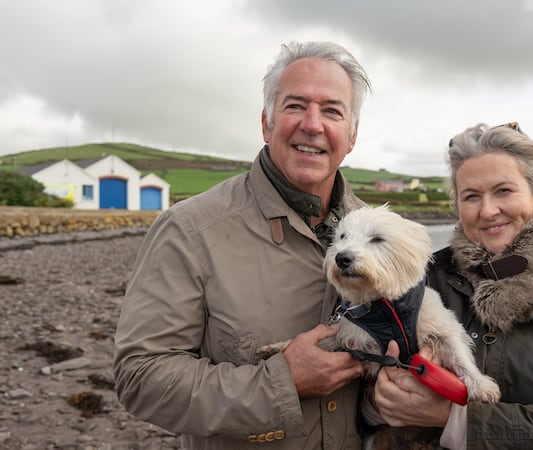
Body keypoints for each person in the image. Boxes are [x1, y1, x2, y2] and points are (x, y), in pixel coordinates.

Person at [113, 41, 372, 449]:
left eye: (332, 111)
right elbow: (141, 376)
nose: (312, 124)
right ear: (266, 123)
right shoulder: (190, 229)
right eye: (294, 105)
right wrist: (282, 383)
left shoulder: (384, 237)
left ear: (352, 135)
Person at [371, 122, 533, 449]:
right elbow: (376, 393)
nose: (488, 211)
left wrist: (455, 420)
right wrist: (385, 394)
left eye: (503, 191)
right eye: (471, 196)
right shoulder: (424, 276)